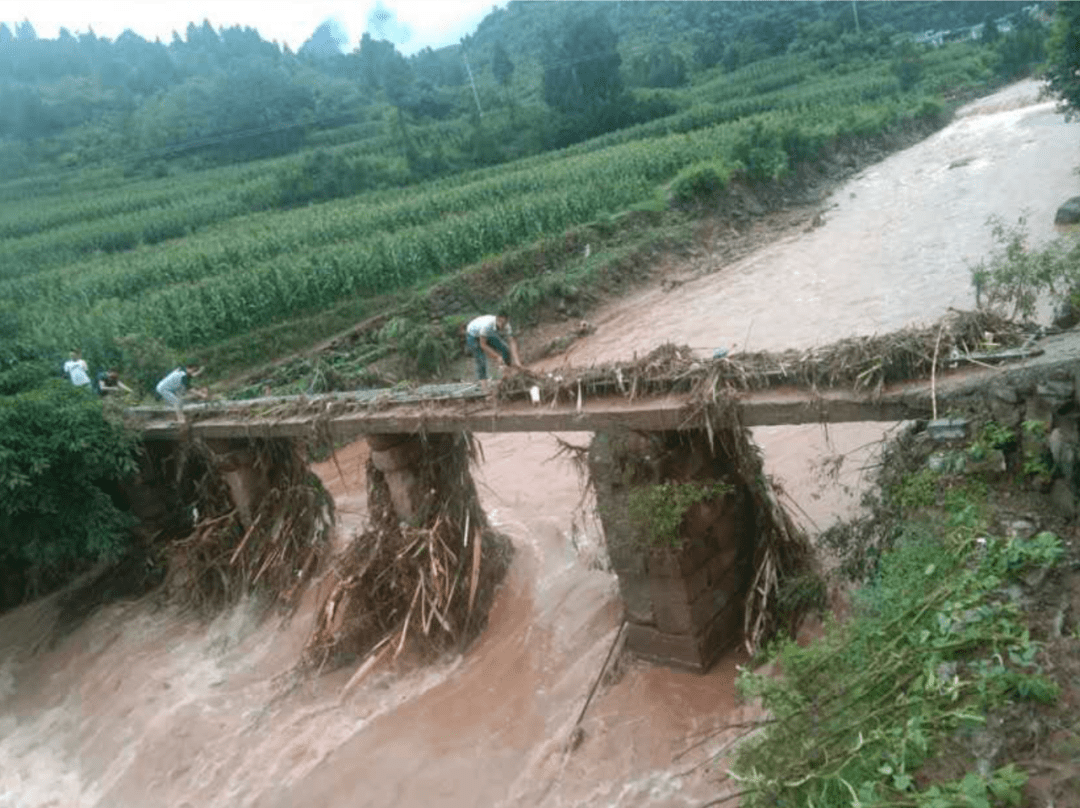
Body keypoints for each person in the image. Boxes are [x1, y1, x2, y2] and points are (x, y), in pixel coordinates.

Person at [465, 312, 522, 380]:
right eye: (500, 322)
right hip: (473, 334)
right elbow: (483, 345)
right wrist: (497, 357)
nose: (502, 325)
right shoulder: (487, 325)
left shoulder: (507, 326)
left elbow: (511, 342)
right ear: (497, 319)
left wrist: (517, 361)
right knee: (481, 359)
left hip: (487, 333)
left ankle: (507, 373)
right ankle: (485, 388)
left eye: (504, 323)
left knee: (505, 349)